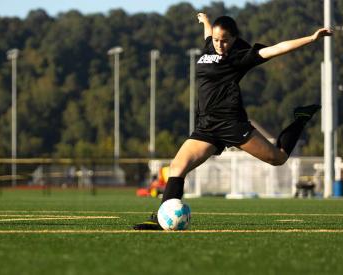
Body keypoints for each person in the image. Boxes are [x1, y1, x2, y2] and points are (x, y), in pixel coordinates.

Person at [133, 13, 332, 230]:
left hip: (231, 124)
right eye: (217, 40)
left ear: (234, 38)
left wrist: (311, 39)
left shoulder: (240, 57)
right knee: (177, 167)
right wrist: (206, 21)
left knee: (278, 158)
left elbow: (277, 48)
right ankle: (162, 220)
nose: (219, 44)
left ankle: (300, 119)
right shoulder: (211, 45)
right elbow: (209, 35)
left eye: (225, 40)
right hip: (206, 126)